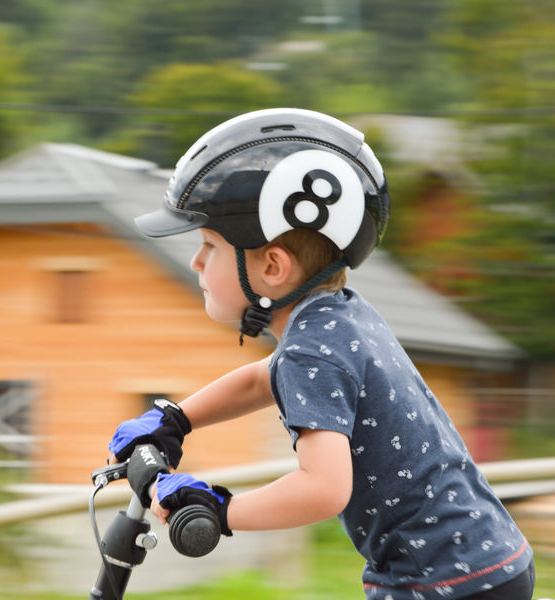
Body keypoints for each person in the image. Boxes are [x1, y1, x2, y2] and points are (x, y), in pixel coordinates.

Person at [107, 108, 535, 600]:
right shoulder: (336, 316)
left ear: (272, 267)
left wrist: (217, 511)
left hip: (443, 582)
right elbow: (262, 379)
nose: (195, 261)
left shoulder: (312, 348)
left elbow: (323, 489)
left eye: (209, 245)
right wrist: (178, 418)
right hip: (485, 560)